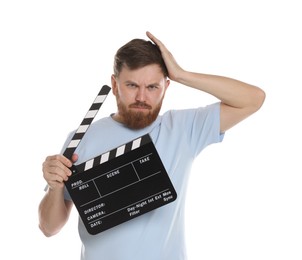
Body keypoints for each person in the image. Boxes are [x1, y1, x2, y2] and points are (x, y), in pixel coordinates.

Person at [38, 31, 265, 260]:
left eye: (152, 87)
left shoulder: (183, 128)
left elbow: (253, 99)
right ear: (114, 85)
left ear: (166, 87)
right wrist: (55, 185)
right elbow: (49, 228)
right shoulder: (81, 138)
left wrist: (182, 75)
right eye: (132, 85)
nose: (141, 97)